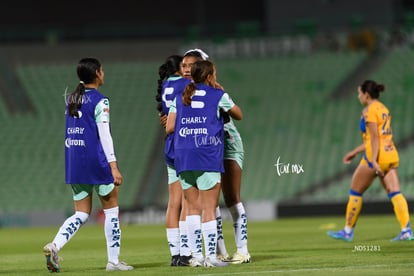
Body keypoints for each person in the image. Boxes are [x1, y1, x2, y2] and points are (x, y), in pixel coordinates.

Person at [43, 58, 134, 272]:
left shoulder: (72, 99)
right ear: (97, 74)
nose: (104, 73)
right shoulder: (101, 101)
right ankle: (113, 261)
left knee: (82, 214)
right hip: (97, 161)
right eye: (102, 70)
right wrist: (113, 165)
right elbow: (105, 135)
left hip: (74, 161)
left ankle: (55, 245)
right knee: (111, 211)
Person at [166, 60, 242, 267]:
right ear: (210, 76)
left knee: (191, 208)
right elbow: (239, 114)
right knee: (209, 208)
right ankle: (210, 257)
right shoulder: (218, 95)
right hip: (206, 154)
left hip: (183, 155)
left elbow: (169, 127)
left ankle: (196, 257)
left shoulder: (180, 97)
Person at [182, 49, 251, 263]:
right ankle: (219, 252)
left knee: (230, 199)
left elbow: (236, 115)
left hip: (227, 144)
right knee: (210, 205)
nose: (186, 69)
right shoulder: (186, 93)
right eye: (184, 65)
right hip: (207, 147)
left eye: (191, 65)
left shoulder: (216, 92)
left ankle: (242, 250)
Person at [327, 80, 413, 242]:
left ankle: (347, 231)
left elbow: (374, 138)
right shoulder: (383, 109)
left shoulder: (369, 111)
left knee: (355, 191)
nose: (358, 96)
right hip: (390, 154)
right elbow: (379, 138)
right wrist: (354, 152)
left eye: (359, 93)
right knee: (395, 193)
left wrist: (373, 161)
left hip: (376, 156)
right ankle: (406, 230)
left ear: (366, 95)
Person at [156, 55, 192, 266]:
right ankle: (186, 252)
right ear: (179, 68)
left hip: (169, 144)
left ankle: (175, 254)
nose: (188, 69)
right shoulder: (188, 84)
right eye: (185, 66)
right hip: (184, 142)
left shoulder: (166, 84)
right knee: (187, 201)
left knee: (173, 203)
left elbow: (165, 114)